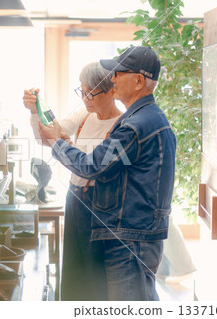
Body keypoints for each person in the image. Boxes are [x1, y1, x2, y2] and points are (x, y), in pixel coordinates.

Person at [38, 46, 177, 301]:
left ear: (138, 81)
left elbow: (92, 166)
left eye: (118, 73)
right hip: (133, 234)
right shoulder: (147, 118)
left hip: (130, 237)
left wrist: (58, 143)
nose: (113, 79)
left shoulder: (136, 125)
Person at [23, 62, 122, 300]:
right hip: (75, 196)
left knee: (93, 270)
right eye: (82, 91)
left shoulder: (122, 126)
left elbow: (93, 166)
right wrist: (34, 110)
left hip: (101, 204)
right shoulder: (84, 114)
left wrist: (65, 143)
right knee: (73, 268)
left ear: (112, 91)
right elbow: (47, 137)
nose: (86, 98)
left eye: (91, 92)